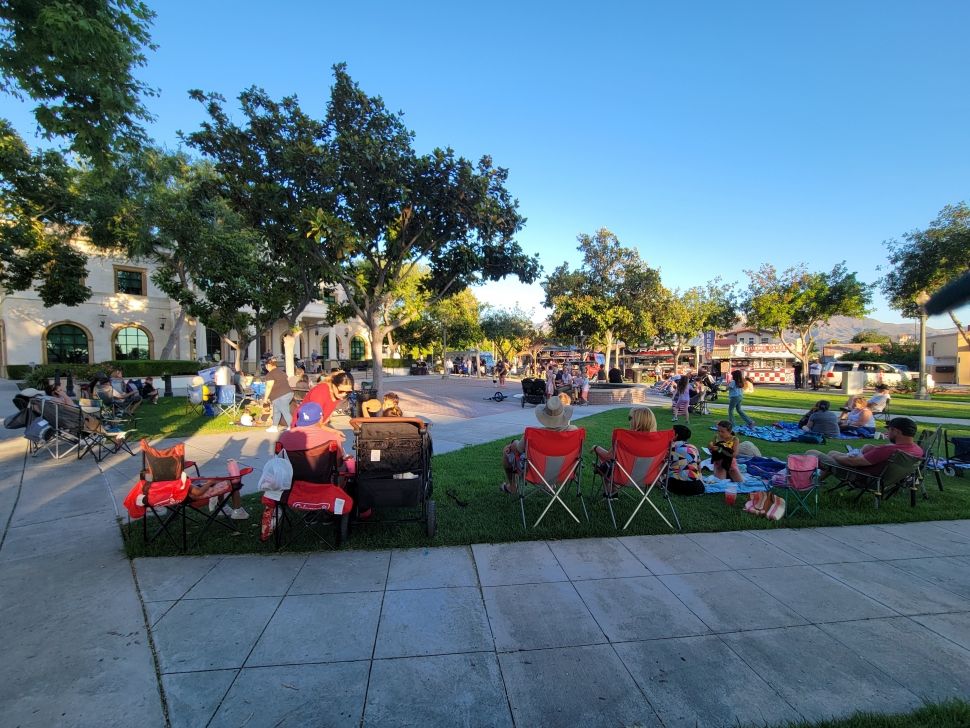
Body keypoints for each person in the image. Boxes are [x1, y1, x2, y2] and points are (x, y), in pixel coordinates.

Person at [499, 396, 577, 495]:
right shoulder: (574, 431)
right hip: (565, 472)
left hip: (536, 473)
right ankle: (550, 482)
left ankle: (512, 487)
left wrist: (513, 442)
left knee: (507, 453)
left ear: (545, 416)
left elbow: (517, 450)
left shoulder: (534, 434)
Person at [807, 417, 923, 480]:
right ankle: (815, 481)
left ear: (896, 431)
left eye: (890, 430)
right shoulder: (917, 450)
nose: (888, 433)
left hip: (860, 476)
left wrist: (834, 457)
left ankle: (804, 483)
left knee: (812, 452)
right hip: (882, 477)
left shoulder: (888, 450)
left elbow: (851, 462)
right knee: (834, 452)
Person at [590, 407, 657, 496]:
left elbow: (609, 456)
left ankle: (610, 493)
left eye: (630, 418)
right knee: (617, 464)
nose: (629, 421)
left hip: (623, 476)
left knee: (608, 465)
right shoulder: (658, 441)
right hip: (647, 477)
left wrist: (596, 448)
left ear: (637, 421)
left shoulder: (624, 439)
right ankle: (613, 490)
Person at [667, 425, 704, 496]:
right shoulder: (693, 448)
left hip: (676, 485)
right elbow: (699, 469)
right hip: (697, 488)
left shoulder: (670, 447)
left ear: (676, 435)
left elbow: (663, 469)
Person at [262, 358, 293, 433]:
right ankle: (274, 426)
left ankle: (292, 427)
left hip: (280, 395)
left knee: (285, 411)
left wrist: (265, 398)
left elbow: (269, 386)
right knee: (276, 411)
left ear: (269, 365)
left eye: (266, 366)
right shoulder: (281, 372)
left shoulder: (270, 374)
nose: (266, 368)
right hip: (288, 393)